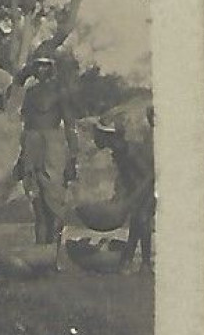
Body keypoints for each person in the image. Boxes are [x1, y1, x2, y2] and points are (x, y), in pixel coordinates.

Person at [14, 56, 77, 248]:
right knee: (38, 206)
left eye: (45, 65)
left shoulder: (60, 92)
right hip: (31, 145)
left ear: (52, 68)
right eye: (38, 65)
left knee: (55, 205)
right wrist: (22, 157)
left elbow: (70, 126)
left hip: (53, 148)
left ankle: (53, 255)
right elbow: (26, 125)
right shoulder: (30, 93)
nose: (41, 69)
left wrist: (73, 158)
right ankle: (40, 253)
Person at [92, 114, 154, 271]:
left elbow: (149, 175)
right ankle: (128, 260)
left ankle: (144, 263)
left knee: (142, 219)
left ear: (109, 136)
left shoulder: (130, 151)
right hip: (138, 188)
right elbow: (126, 176)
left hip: (148, 187)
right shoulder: (119, 152)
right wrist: (121, 194)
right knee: (137, 222)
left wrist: (135, 196)